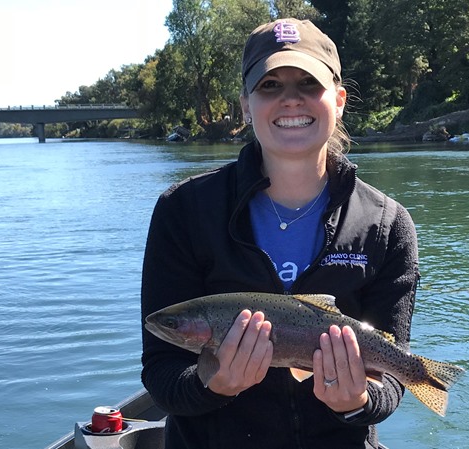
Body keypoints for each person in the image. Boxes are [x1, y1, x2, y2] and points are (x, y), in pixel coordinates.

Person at [141, 17, 420, 449]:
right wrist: (212, 385)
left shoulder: (387, 224)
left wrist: (358, 399)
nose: (291, 101)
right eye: (269, 86)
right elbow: (161, 374)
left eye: (308, 84)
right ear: (245, 106)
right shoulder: (183, 211)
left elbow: (391, 378)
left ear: (340, 100)